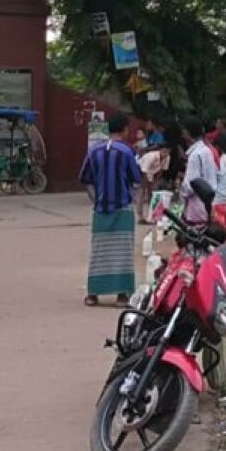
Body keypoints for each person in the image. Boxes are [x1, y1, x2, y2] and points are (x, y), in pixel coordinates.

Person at [79, 114, 143, 307]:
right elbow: (136, 180)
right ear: (124, 129)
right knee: (123, 252)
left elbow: (85, 179)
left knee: (99, 251)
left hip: (100, 209)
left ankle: (93, 294)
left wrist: (96, 200)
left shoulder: (94, 151)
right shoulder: (127, 151)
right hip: (122, 208)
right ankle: (122, 295)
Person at [181, 120, 221, 226]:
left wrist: (182, 194)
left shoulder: (195, 155)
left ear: (188, 133)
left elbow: (190, 185)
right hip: (208, 204)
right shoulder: (207, 151)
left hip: (196, 208)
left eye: (184, 131)